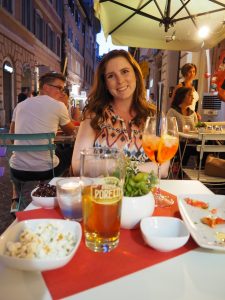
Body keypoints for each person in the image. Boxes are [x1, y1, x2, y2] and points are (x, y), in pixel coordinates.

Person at [72, 49, 170, 177]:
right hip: (104, 194)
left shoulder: (154, 116)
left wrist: (109, 165)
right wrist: (135, 167)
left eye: (125, 71)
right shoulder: (95, 115)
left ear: (135, 74)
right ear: (105, 83)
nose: (120, 80)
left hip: (144, 195)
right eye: (111, 76)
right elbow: (78, 165)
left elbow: (162, 169)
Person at [9, 72, 75, 212]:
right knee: (72, 150)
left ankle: (17, 198)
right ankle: (63, 192)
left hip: (17, 170)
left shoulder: (20, 106)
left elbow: (11, 135)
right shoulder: (58, 106)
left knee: (51, 151)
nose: (61, 92)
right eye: (59, 88)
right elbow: (71, 131)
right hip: (46, 170)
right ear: (45, 87)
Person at [167, 86, 198, 168]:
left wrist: (193, 137)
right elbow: (170, 132)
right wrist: (183, 137)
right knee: (184, 147)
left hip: (191, 143)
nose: (193, 97)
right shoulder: (172, 112)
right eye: (190, 95)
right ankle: (181, 171)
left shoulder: (193, 113)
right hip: (178, 144)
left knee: (206, 145)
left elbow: (196, 129)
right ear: (182, 96)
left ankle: (204, 170)